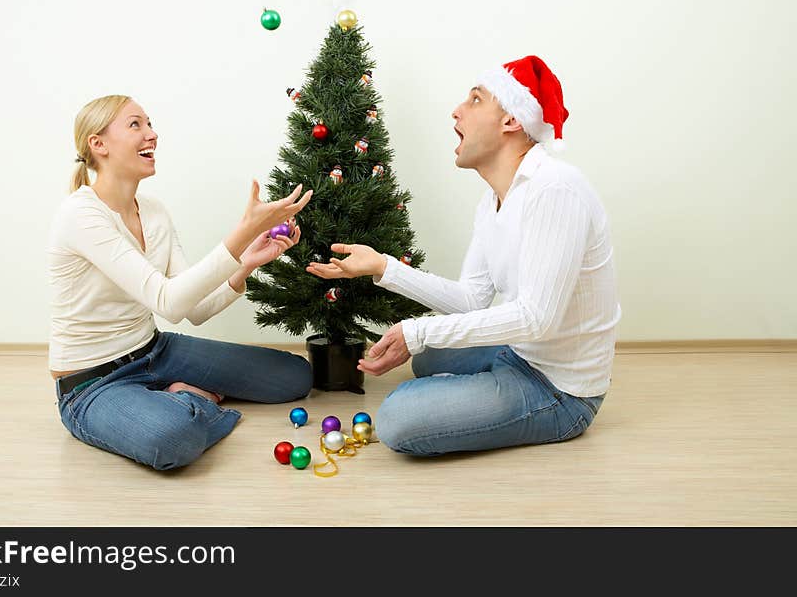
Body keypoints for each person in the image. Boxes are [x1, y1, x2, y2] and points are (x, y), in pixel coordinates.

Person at [307, 56, 621, 456]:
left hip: (560, 390)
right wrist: (383, 267)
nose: (456, 110)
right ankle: (479, 390)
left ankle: (482, 398)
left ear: (511, 120)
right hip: (519, 350)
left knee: (397, 419)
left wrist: (416, 331)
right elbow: (472, 300)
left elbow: (537, 319)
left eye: (475, 100)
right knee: (428, 357)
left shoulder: (555, 189)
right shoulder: (494, 199)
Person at [49, 95, 314, 470]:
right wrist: (241, 235)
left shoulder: (154, 211)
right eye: (135, 125)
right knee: (174, 441)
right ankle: (187, 399)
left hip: (154, 350)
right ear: (99, 144)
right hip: (92, 384)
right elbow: (167, 302)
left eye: (150, 124)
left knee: (294, 377)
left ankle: (170, 396)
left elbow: (193, 310)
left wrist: (245, 263)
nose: (152, 135)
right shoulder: (81, 215)